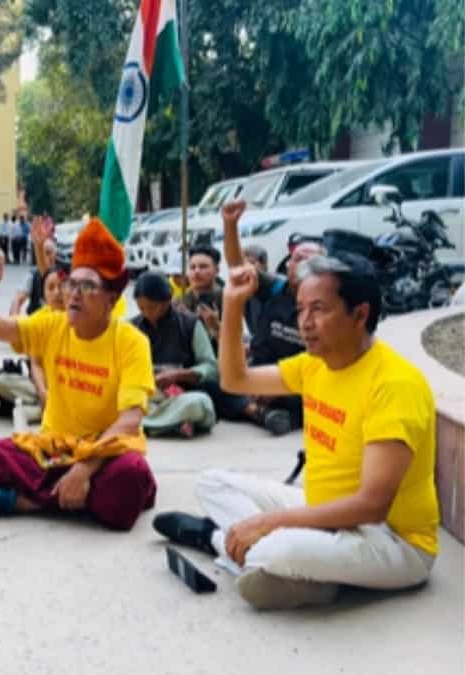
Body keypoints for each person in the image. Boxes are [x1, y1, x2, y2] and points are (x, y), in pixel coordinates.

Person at [153, 253, 438, 610]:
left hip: (392, 541)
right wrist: (232, 305)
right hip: (323, 509)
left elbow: (372, 505)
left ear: (360, 314)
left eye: (318, 309)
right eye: (301, 309)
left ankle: (218, 539)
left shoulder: (395, 385)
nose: (305, 322)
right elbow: (234, 379)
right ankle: (299, 570)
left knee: (275, 548)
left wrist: (268, 524)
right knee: (210, 483)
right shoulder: (315, 365)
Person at [0, 219, 157, 530]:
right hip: (53, 448)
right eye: (71, 283)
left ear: (112, 299)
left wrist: (83, 469)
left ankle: (23, 501)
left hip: (103, 453)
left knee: (131, 477)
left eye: (88, 286)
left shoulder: (132, 341)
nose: (74, 294)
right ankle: (71, 500)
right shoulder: (52, 324)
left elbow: (130, 421)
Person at [222, 199, 322, 434]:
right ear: (287, 265)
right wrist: (230, 225)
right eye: (298, 258)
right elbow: (238, 266)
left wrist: (277, 390)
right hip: (257, 374)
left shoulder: (329, 301)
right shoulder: (275, 287)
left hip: (294, 381)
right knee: (218, 384)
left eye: (311, 259)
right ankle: (260, 412)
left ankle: (260, 411)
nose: (302, 264)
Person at [130, 272, 217, 438]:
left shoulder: (190, 325)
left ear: (167, 301)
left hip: (180, 399)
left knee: (200, 403)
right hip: (144, 399)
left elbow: (211, 367)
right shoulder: (132, 328)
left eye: (152, 307)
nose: (147, 313)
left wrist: (179, 375)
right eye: (141, 308)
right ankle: (167, 425)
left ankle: (146, 426)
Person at [0, 268, 67, 424]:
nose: (56, 293)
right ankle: (45, 408)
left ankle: (44, 411)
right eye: (51, 288)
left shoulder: (81, 320)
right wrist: (42, 392)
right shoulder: (39, 319)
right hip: (42, 387)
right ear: (44, 295)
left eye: (62, 286)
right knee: (1, 381)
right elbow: (35, 364)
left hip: (70, 389)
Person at [177, 245, 224, 349]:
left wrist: (216, 327)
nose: (197, 271)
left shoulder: (228, 300)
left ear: (216, 270)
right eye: (192, 267)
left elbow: (237, 347)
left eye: (203, 266)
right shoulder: (179, 303)